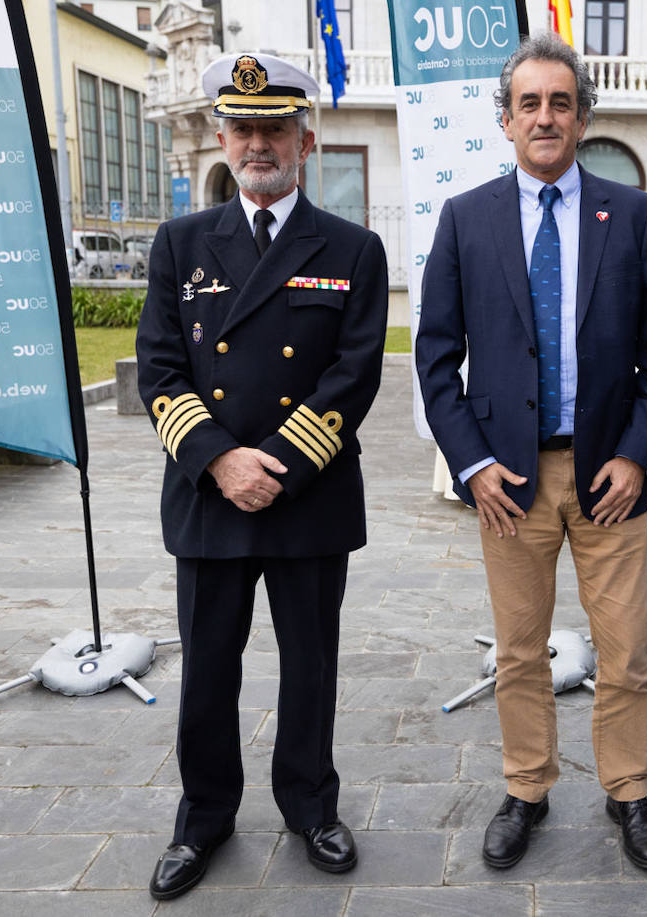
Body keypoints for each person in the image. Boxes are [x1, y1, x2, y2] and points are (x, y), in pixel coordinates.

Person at [415, 34, 647, 871]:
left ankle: (628, 789)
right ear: (505, 120)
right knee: (519, 649)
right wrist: (471, 465)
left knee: (626, 649)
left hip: (608, 474)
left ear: (581, 118)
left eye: (559, 102)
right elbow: (434, 356)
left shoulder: (634, 215)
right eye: (528, 103)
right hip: (508, 482)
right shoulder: (467, 219)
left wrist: (639, 457)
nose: (544, 116)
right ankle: (527, 787)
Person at [135, 52, 387, 899]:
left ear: (305, 139)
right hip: (212, 494)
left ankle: (312, 807)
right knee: (209, 668)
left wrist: (275, 465)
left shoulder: (352, 247)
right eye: (242, 128)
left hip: (305, 494)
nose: (257, 143)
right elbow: (160, 371)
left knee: (310, 665)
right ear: (220, 135)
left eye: (273, 127)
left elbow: (354, 374)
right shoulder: (180, 244)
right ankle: (202, 817)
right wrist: (222, 461)